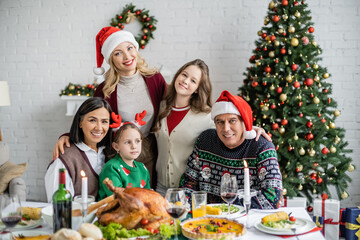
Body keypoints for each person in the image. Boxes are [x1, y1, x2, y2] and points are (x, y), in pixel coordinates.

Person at [52, 27, 167, 187]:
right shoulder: (105, 89)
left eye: (129, 48)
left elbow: (171, 108)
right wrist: (67, 135)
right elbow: (91, 119)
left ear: (136, 49)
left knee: (145, 199)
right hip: (117, 152)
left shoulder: (155, 79)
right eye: (118, 53)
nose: (127, 56)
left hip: (148, 148)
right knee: (119, 199)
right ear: (111, 59)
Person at [153, 59, 273, 196]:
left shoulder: (206, 116)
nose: (185, 81)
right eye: (184, 75)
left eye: (193, 81)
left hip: (187, 190)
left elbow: (229, 127)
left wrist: (253, 128)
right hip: (160, 188)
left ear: (198, 88)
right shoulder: (161, 106)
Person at [179, 90, 282, 209]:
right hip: (206, 220)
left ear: (244, 122)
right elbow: (188, 183)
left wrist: (225, 210)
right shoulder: (205, 141)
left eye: (232, 121)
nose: (226, 128)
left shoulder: (262, 146)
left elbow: (271, 198)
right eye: (220, 122)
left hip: (248, 220)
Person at [45, 97, 112, 202]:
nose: (99, 127)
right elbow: (59, 206)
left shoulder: (111, 152)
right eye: (92, 120)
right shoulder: (64, 159)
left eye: (104, 121)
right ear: (80, 122)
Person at [98, 120, 150, 200]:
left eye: (137, 141)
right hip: (114, 210)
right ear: (116, 146)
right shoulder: (112, 167)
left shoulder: (142, 168)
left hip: (137, 209)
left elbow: (148, 195)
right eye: (127, 142)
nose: (134, 146)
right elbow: (118, 198)